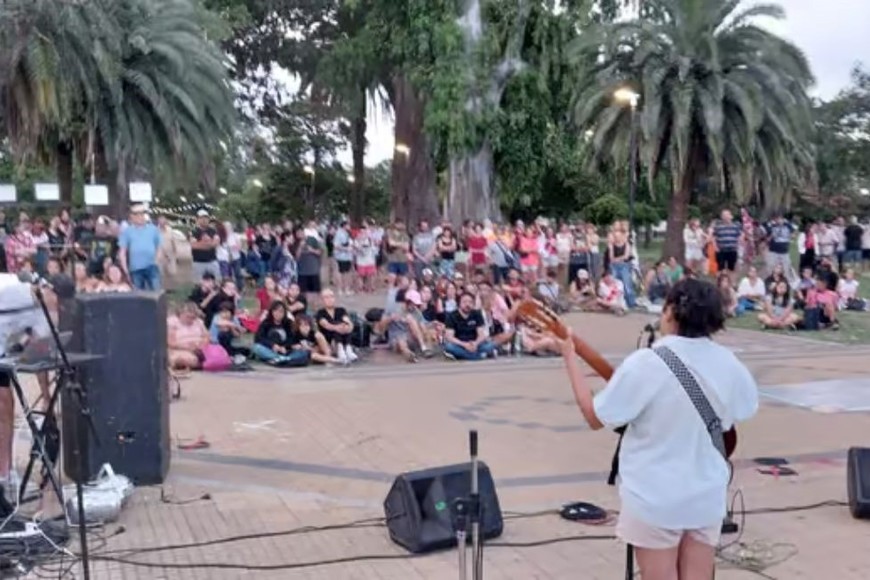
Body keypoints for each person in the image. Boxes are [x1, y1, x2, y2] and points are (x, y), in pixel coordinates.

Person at [555, 278, 758, 580]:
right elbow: (742, 411)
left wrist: (569, 357)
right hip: (706, 495)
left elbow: (594, 416)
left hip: (655, 497)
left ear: (672, 311)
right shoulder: (730, 364)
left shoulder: (646, 363)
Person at [117, 203, 162, 290]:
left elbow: (159, 247)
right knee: (138, 294)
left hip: (151, 266)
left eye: (142, 214)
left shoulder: (153, 229)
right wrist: (125, 269)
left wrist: (156, 262)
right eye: (136, 214)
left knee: (156, 293)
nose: (140, 217)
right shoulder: (127, 232)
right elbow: (122, 252)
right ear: (131, 216)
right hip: (135, 269)